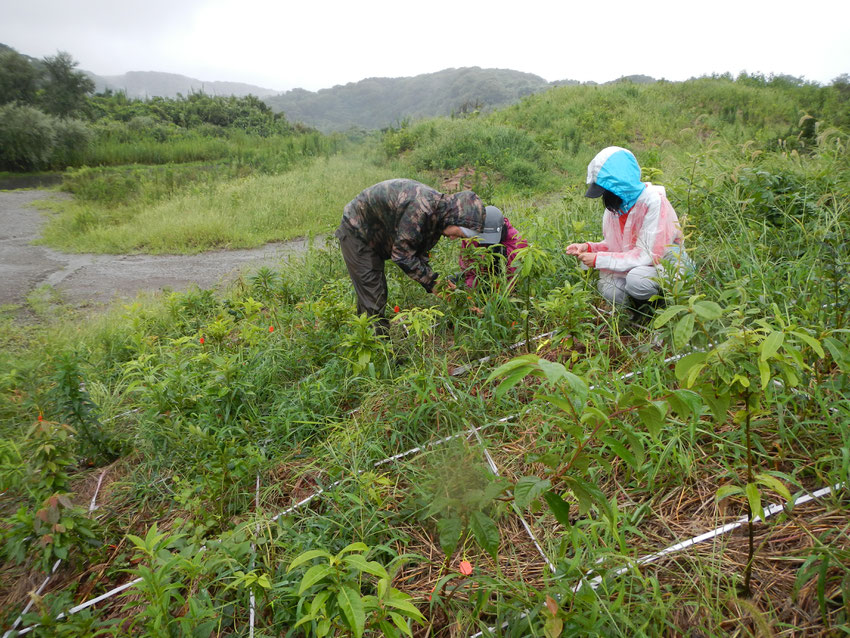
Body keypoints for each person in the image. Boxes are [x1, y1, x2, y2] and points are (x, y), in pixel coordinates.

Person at [335, 179, 487, 332]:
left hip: (378, 234)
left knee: (373, 294)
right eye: (459, 234)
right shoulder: (422, 209)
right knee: (373, 296)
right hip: (357, 232)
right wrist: (435, 284)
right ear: (455, 219)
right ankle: (378, 353)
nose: (455, 238)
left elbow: (416, 252)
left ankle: (371, 343)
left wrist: (443, 287)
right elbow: (402, 255)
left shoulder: (437, 216)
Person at [566, 146, 691, 308]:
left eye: (606, 191)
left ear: (620, 186)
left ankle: (663, 309)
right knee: (609, 288)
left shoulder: (653, 202)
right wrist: (589, 248)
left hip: (667, 267)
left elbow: (648, 255)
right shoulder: (615, 210)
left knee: (637, 280)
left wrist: (598, 259)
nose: (604, 197)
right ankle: (635, 314)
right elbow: (615, 246)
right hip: (639, 267)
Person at [457, 206, 528, 289]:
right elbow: (468, 270)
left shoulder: (516, 240)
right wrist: (472, 291)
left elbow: (514, 275)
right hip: (480, 277)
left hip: (502, 278)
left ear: (503, 228)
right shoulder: (472, 238)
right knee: (452, 280)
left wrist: (500, 293)